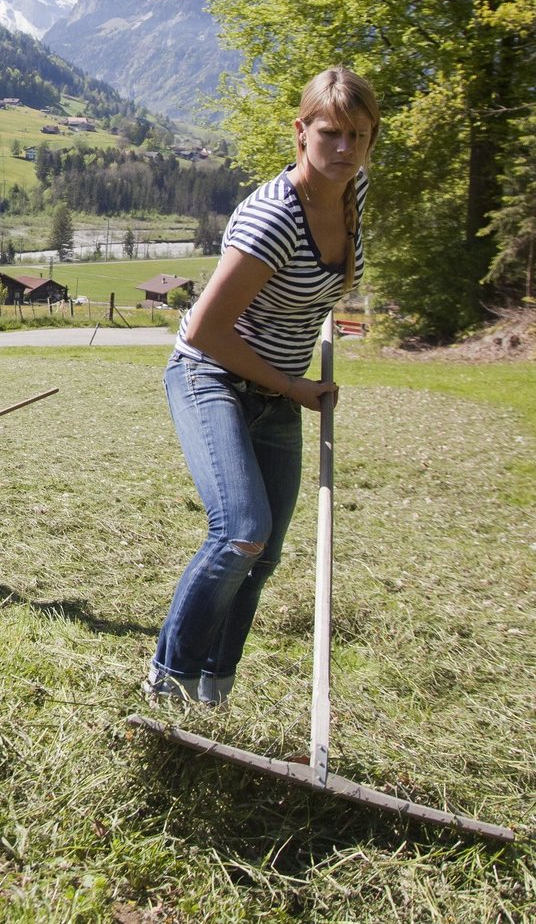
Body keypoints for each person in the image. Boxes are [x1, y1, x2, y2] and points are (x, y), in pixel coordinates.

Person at [145, 66, 379, 706]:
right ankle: (167, 683)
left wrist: (292, 377)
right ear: (301, 132)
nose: (345, 148)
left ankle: (212, 691)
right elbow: (204, 331)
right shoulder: (273, 218)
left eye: (359, 136)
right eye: (330, 133)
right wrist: (294, 385)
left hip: (276, 391)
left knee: (265, 553)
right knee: (241, 532)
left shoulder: (353, 196)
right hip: (210, 375)